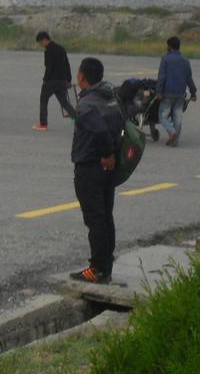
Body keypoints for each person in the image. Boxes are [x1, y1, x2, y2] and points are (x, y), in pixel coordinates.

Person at [70, 56, 124, 283]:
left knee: (95, 219)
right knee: (105, 216)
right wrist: (112, 155)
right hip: (107, 170)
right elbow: (122, 123)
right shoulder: (111, 98)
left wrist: (106, 155)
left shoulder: (86, 104)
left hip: (91, 166)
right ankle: (106, 264)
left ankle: (97, 268)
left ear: (82, 77)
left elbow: (99, 131)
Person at [155, 36, 198, 147]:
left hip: (167, 93)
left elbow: (162, 77)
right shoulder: (185, 60)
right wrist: (193, 93)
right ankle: (175, 140)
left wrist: (158, 92)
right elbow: (189, 78)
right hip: (180, 94)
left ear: (169, 46)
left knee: (163, 115)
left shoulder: (165, 59)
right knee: (177, 116)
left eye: (167, 45)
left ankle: (172, 132)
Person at [34, 31, 74, 131]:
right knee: (64, 103)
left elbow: (49, 67)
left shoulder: (48, 51)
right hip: (62, 80)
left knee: (43, 100)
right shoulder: (61, 48)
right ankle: (80, 122)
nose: (41, 45)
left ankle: (43, 124)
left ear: (44, 40)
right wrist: (68, 79)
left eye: (40, 43)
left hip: (51, 81)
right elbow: (67, 65)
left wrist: (45, 80)